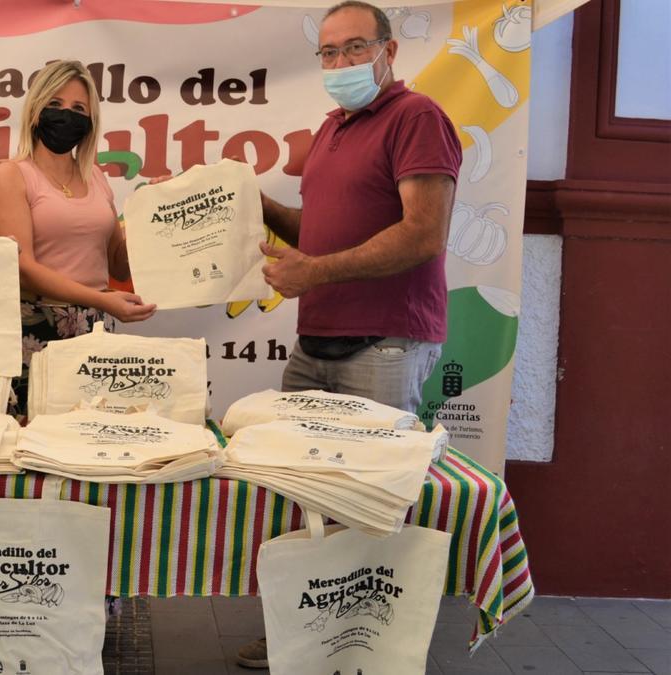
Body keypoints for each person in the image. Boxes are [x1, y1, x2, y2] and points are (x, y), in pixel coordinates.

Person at [237, 1, 461, 669]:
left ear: (389, 52)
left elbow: (424, 233)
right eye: (329, 53)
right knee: (304, 495)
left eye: (354, 48)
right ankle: (302, 637)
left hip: (385, 343)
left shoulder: (417, 118)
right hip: (318, 343)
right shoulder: (333, 128)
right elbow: (319, 233)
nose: (340, 63)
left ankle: (367, 647)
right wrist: (249, 202)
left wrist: (317, 271)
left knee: (369, 499)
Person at [0, 59, 156, 420]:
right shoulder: (10, 175)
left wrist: (155, 209)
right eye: (55, 105)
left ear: (91, 119)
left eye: (79, 108)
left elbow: (117, 262)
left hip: (96, 331)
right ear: (35, 111)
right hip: (35, 331)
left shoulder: (95, 176)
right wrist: (101, 301)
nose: (67, 115)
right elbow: (22, 269)